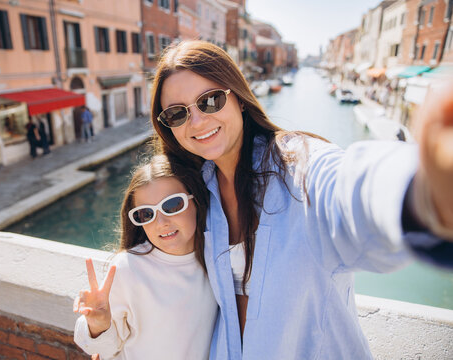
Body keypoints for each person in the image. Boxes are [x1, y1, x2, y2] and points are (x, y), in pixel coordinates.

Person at [149, 40, 453, 359]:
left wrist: (421, 194)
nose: (196, 121)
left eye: (210, 100)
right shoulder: (196, 189)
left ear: (237, 98)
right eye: (177, 114)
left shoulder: (298, 164)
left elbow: (346, 187)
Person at [73, 154, 218, 359]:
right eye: (146, 214)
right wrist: (98, 325)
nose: (161, 222)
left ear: (196, 200)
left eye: (173, 205)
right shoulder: (128, 268)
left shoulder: (216, 257)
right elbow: (104, 350)